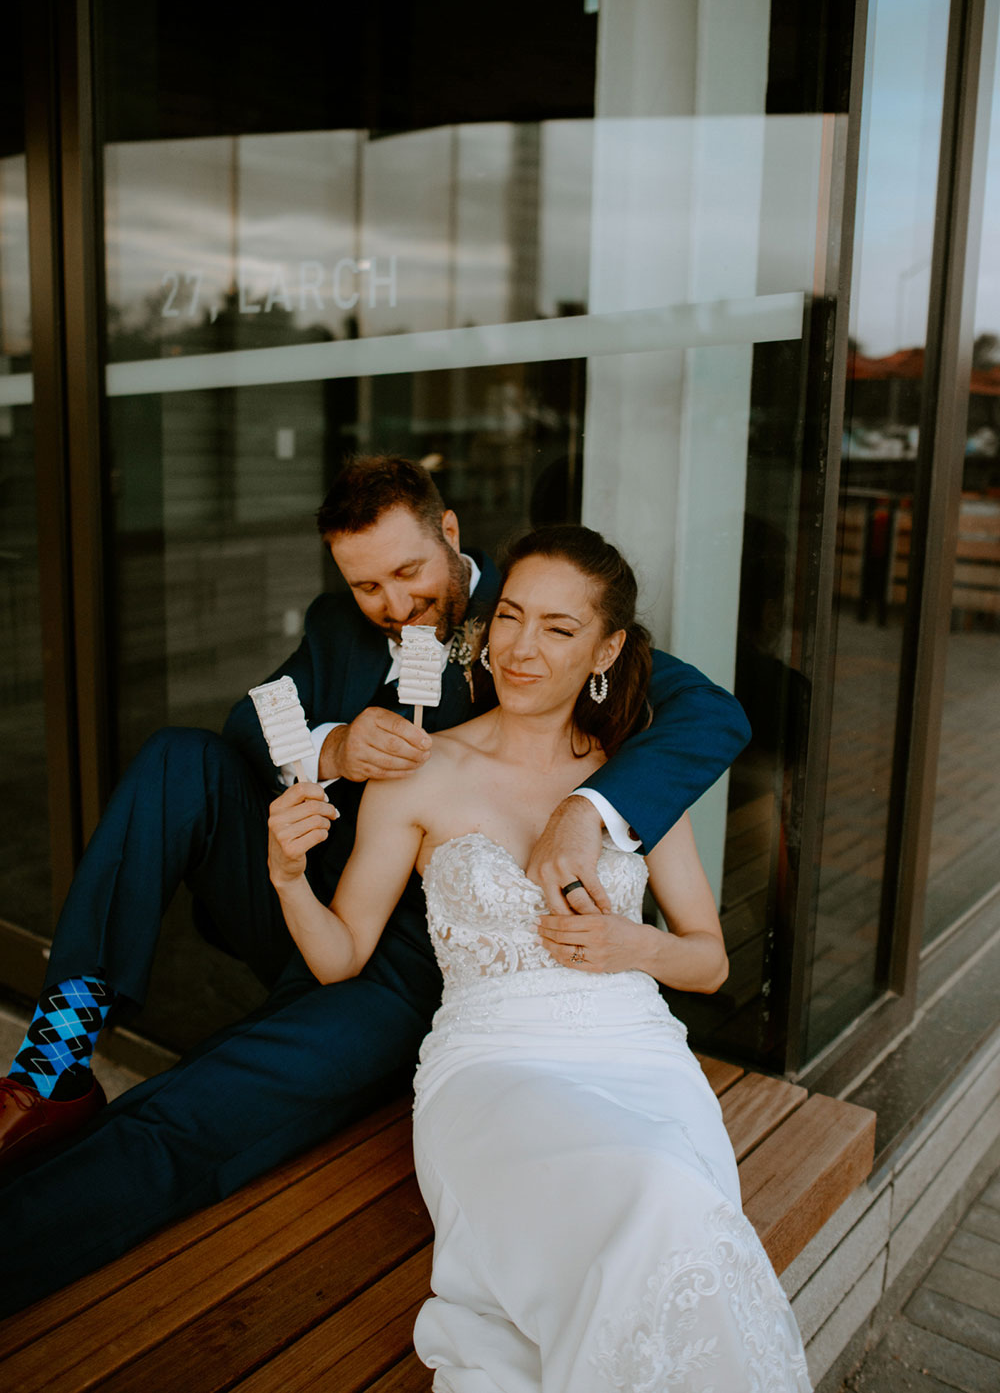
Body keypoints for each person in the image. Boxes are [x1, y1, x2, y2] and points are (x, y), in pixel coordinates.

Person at [0, 458, 749, 1316]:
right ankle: (52, 1061)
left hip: (417, 965)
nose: (393, 605)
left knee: (197, 1108)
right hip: (315, 896)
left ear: (452, 538)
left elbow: (712, 717)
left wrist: (587, 810)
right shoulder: (343, 623)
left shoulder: (543, 610)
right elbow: (253, 718)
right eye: (366, 585)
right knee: (181, 759)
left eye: (408, 574)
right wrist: (333, 747)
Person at [268, 524, 811, 1393]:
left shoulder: (632, 779)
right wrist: (289, 876)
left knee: (668, 1194)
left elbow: (710, 966)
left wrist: (634, 946)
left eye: (558, 629)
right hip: (496, 1066)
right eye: (511, 617)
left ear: (607, 649)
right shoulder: (419, 771)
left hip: (641, 1058)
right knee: (656, 1196)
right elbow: (341, 956)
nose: (522, 648)